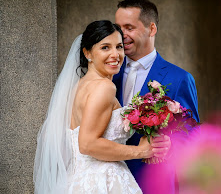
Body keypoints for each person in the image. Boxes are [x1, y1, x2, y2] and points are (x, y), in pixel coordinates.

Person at [34, 20, 158, 194]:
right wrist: (141, 151)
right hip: (104, 181)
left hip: (76, 180)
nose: (115, 54)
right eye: (105, 47)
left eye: (119, 47)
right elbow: (87, 144)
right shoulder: (104, 87)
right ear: (87, 53)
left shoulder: (77, 87)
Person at [113, 0, 200, 193]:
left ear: (151, 29)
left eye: (129, 27)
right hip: (110, 180)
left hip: (152, 183)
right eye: (118, 28)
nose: (121, 35)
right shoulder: (107, 75)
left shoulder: (180, 78)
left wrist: (170, 143)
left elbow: (194, 135)